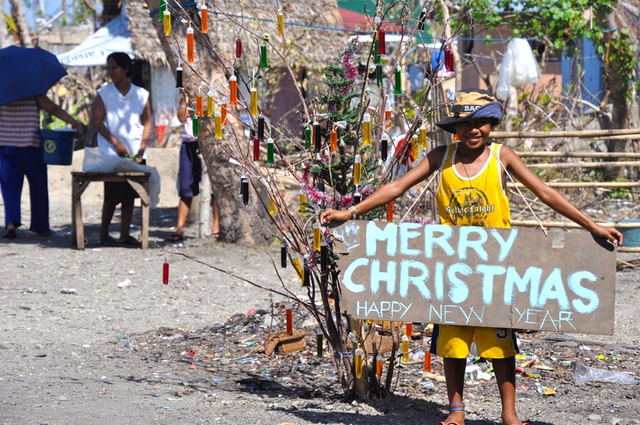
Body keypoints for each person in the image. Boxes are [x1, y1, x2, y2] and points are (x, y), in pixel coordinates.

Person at [320, 88, 623, 425]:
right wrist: (353, 212)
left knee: (500, 343)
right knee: (453, 341)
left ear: (491, 124)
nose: (473, 129)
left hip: (496, 266)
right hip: (452, 267)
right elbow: (397, 187)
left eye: (480, 122)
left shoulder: (501, 156)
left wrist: (592, 225)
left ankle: (509, 413)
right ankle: (456, 412)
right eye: (465, 123)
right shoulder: (441, 157)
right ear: (454, 128)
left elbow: (545, 192)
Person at [0, 95, 83, 239]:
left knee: (10, 188)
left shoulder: (3, 88)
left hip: (7, 146)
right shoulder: (33, 89)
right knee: (38, 187)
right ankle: (40, 227)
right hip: (32, 146)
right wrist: (74, 123)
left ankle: (11, 223)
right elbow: (53, 108)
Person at [93, 52, 151, 247]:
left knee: (130, 195)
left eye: (114, 67)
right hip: (110, 153)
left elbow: (147, 123)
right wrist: (116, 143)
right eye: (108, 68)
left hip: (135, 152)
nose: (111, 72)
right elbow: (98, 122)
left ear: (126, 69)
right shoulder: (104, 94)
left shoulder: (141, 94)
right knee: (111, 195)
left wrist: (142, 148)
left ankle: (124, 234)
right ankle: (103, 234)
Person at [166, 95, 220, 242]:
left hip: (211, 141)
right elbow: (181, 117)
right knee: (186, 186)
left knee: (216, 186)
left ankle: (216, 225)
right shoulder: (187, 93)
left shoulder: (216, 88)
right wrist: (186, 99)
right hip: (190, 143)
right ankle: (180, 228)